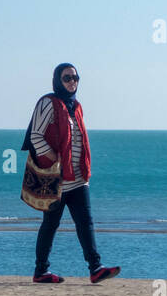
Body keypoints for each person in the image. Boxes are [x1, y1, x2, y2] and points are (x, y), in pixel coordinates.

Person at [21, 63, 120, 284]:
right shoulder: (48, 102)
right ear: (58, 80)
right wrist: (54, 161)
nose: (72, 82)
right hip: (56, 179)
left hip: (78, 178)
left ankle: (96, 268)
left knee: (86, 222)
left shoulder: (76, 106)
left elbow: (79, 140)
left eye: (75, 78)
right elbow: (36, 136)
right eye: (67, 78)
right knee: (50, 224)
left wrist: (82, 169)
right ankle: (40, 271)